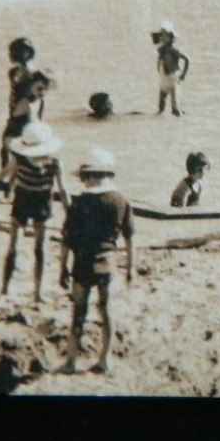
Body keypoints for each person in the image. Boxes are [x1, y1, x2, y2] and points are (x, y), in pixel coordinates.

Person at [58, 148, 134, 376]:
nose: (82, 181)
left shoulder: (79, 204)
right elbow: (130, 238)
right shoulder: (121, 201)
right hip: (107, 262)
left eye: (83, 177)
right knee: (106, 310)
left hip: (83, 262)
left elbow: (67, 240)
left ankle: (71, 362)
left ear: (92, 176)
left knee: (78, 313)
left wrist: (62, 267)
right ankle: (105, 359)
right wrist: (131, 268)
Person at [0, 120, 69, 302]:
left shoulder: (53, 163)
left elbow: (63, 191)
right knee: (14, 247)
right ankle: (5, 289)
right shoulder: (23, 159)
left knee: (40, 250)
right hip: (26, 202)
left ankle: (37, 292)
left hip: (39, 203)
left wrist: (71, 216)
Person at [1, 37, 38, 163]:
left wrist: (37, 118)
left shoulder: (33, 73)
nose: (11, 55)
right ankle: (5, 177)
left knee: (21, 148)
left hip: (26, 115)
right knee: (6, 146)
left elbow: (38, 96)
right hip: (14, 114)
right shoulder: (13, 72)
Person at [153, 21, 189, 116]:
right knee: (160, 110)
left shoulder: (173, 51)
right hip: (164, 82)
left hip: (173, 81)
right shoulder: (161, 51)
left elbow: (186, 60)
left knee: (176, 110)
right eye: (162, 35)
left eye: (166, 35)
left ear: (170, 37)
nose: (163, 38)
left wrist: (182, 75)